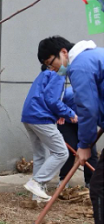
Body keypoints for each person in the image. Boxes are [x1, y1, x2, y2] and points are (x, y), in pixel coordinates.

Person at [38, 36, 104, 224]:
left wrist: (84, 145)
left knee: (99, 187)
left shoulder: (80, 65)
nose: (52, 68)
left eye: (50, 62)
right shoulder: (96, 56)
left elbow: (88, 108)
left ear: (63, 52)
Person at [21, 65, 76, 201]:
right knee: (61, 152)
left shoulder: (43, 75)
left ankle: (36, 197)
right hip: (41, 119)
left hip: (29, 117)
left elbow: (44, 98)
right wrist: (70, 113)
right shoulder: (57, 75)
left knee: (40, 155)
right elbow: (52, 100)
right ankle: (37, 182)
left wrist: (59, 113)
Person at [57, 85, 98, 186]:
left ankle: (91, 181)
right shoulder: (68, 94)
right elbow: (55, 104)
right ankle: (63, 180)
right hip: (67, 123)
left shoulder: (96, 97)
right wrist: (59, 115)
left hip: (86, 123)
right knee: (70, 149)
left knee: (91, 150)